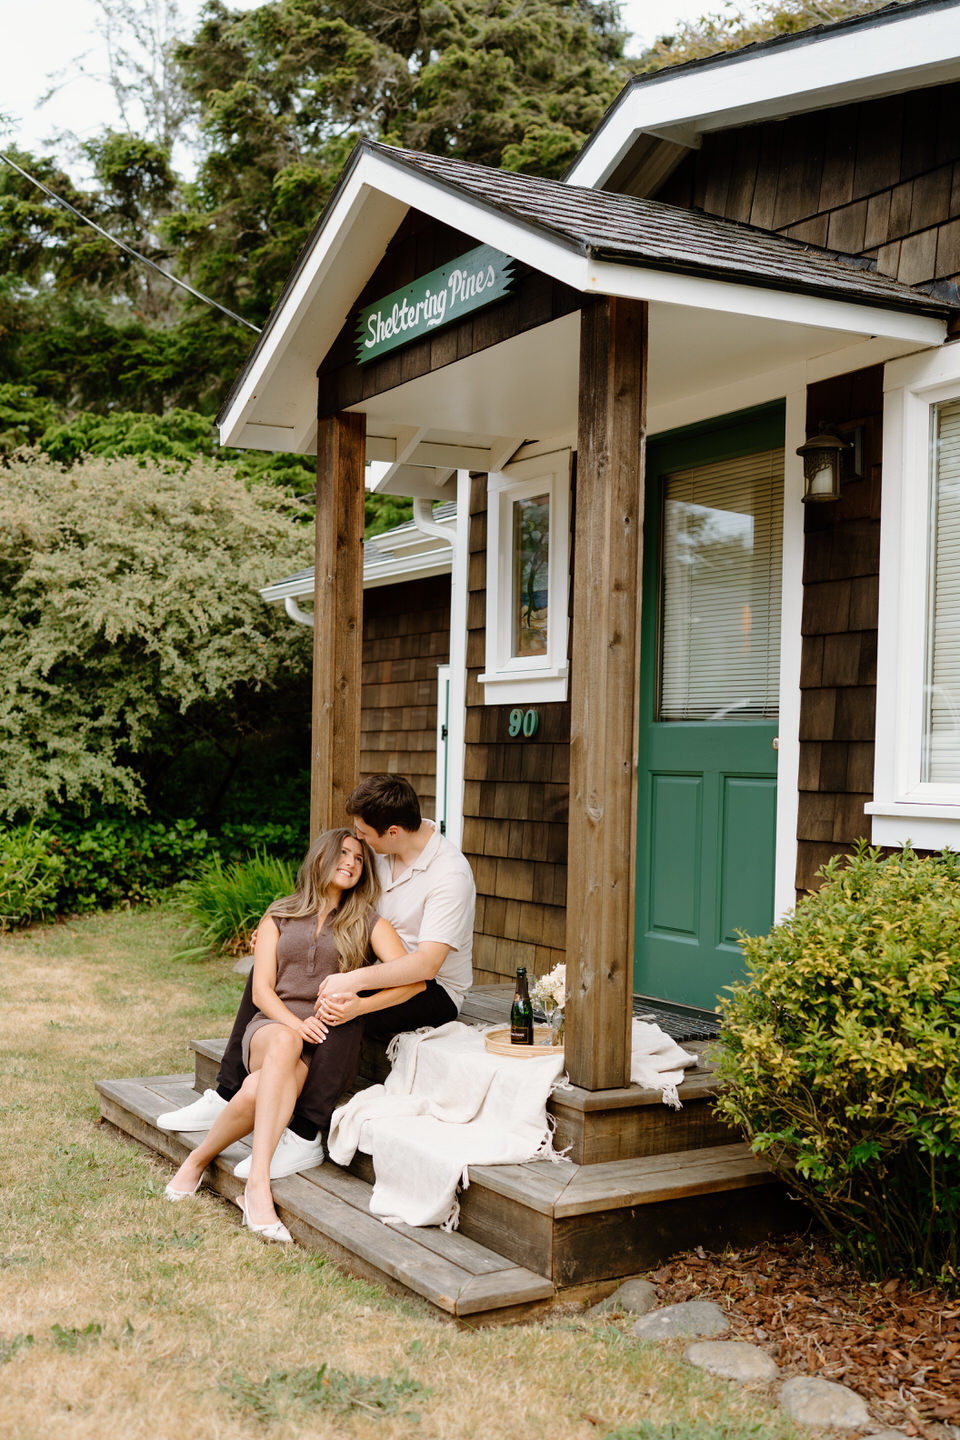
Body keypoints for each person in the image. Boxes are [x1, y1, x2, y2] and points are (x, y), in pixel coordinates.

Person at [158, 775, 477, 1180]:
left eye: (364, 835)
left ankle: (307, 1131)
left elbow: (425, 967)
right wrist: (278, 932)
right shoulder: (382, 846)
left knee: (342, 1007)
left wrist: (355, 985)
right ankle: (227, 1093)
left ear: (392, 832)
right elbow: (331, 899)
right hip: (372, 961)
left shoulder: (449, 874)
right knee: (265, 968)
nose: (358, 844)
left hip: (431, 990)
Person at [160, 827, 421, 1241]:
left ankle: (197, 1160)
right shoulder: (279, 913)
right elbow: (262, 989)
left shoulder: (369, 922)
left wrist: (361, 1004)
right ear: (319, 858)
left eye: (358, 859)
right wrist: (296, 1024)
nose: (351, 862)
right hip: (272, 1029)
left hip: (320, 1044)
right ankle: (258, 1184)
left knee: (258, 1090)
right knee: (284, 1041)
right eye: (343, 854)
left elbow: (414, 982)